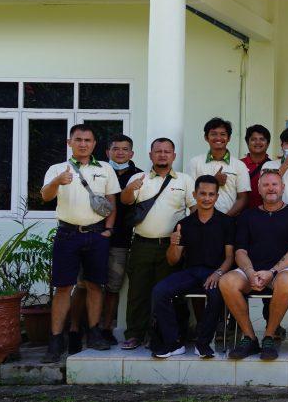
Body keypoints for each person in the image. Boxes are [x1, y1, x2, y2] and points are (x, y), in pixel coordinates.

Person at [40, 124, 121, 363]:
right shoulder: (57, 169)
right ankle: (56, 340)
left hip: (96, 235)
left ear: (94, 144)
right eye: (78, 139)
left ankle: (94, 333)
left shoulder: (105, 168)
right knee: (63, 287)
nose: (83, 144)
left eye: (88, 140)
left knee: (95, 285)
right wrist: (57, 181)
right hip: (67, 234)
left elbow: (111, 202)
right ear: (70, 143)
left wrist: (108, 230)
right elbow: (45, 196)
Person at [219, 170, 288, 361]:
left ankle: (269, 336)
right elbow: (240, 251)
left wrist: (272, 272)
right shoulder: (247, 216)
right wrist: (250, 273)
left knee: (286, 280)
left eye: (275, 184)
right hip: (251, 269)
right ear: (258, 189)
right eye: (265, 185)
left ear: (283, 187)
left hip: (281, 270)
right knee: (226, 282)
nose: (270, 188)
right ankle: (249, 337)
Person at [119, 138, 196, 351]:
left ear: (174, 155)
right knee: (138, 292)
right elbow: (125, 201)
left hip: (171, 247)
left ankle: (161, 334)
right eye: (158, 151)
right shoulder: (138, 177)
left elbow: (194, 209)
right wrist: (130, 188)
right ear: (150, 155)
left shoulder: (185, 180)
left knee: (167, 293)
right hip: (141, 244)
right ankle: (134, 334)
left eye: (167, 151)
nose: (162, 155)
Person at [150, 175, 234, 359]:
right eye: (202, 193)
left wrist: (219, 273)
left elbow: (230, 257)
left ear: (217, 197)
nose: (207, 198)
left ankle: (202, 344)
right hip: (190, 272)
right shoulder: (184, 224)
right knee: (159, 291)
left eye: (211, 194)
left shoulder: (226, 222)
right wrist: (173, 244)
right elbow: (172, 261)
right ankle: (173, 343)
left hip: (214, 273)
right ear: (195, 195)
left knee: (216, 294)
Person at [98, 134, 143, 344]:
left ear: (131, 153)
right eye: (116, 149)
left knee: (113, 287)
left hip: (121, 239)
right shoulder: (98, 172)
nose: (120, 153)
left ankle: (106, 328)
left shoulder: (139, 176)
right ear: (108, 152)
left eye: (125, 149)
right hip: (93, 234)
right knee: (85, 285)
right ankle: (76, 329)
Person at [188, 117, 251, 216]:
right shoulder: (195, 162)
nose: (218, 138)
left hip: (230, 221)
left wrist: (225, 219)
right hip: (200, 221)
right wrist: (214, 181)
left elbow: (243, 198)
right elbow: (190, 195)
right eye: (213, 134)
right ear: (206, 137)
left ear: (229, 138)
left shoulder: (239, 165)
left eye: (223, 134)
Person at [241, 124, 271, 210]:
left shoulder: (273, 166)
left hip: (267, 213)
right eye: (253, 139)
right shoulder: (238, 164)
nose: (258, 142)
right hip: (242, 214)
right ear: (247, 143)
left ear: (268, 144)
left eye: (262, 139)